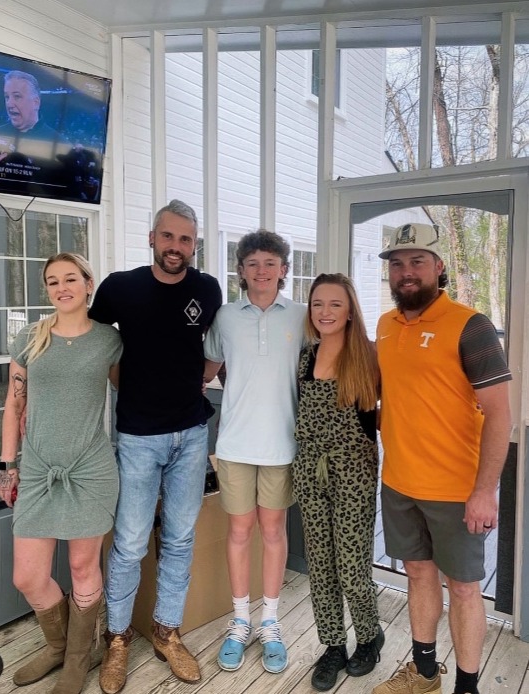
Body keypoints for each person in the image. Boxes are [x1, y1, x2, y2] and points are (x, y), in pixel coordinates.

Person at [89, 199, 222, 692]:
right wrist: (132, 387)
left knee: (180, 539)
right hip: (138, 436)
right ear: (152, 238)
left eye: (186, 239)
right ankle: (118, 638)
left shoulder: (207, 289)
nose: (176, 247)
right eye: (169, 237)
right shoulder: (120, 288)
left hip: (191, 433)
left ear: (194, 245)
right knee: (127, 542)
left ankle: (167, 631)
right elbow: (95, 346)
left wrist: (198, 381)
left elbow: (212, 347)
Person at [373, 223, 512, 694]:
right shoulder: (385, 326)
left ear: (439, 267)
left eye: (417, 262)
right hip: (398, 483)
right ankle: (425, 672)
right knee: (417, 574)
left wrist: (485, 491)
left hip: (456, 491)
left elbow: (500, 415)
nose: (406, 272)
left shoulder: (471, 326)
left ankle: (467, 688)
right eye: (397, 264)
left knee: (466, 589)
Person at [0, 252, 122, 694]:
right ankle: (60, 646)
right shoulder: (30, 338)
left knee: (83, 566)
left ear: (89, 284)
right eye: (52, 282)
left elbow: (137, 387)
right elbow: (14, 404)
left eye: (71, 278)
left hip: (90, 470)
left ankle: (76, 658)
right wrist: (8, 464)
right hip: (37, 470)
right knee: (27, 576)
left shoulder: (110, 340)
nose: (61, 288)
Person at [203, 229, 306, 675]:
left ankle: (270, 622)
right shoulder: (224, 317)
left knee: (274, 532)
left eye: (270, 263)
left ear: (284, 269)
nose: (261, 271)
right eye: (252, 263)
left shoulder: (303, 316)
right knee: (240, 532)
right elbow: (205, 371)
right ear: (241, 271)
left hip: (283, 446)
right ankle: (240, 620)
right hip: (235, 445)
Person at [292, 273, 384, 691]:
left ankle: (368, 635)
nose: (325, 312)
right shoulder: (306, 357)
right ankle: (332, 645)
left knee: (351, 566)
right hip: (310, 471)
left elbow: (394, 413)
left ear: (350, 312)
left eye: (335, 304)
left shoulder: (369, 356)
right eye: (317, 304)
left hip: (354, 473)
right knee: (321, 567)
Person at [0, 70, 67, 191]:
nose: (9, 103)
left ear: (36, 102)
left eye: (17, 96)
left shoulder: (59, 143)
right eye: (7, 97)